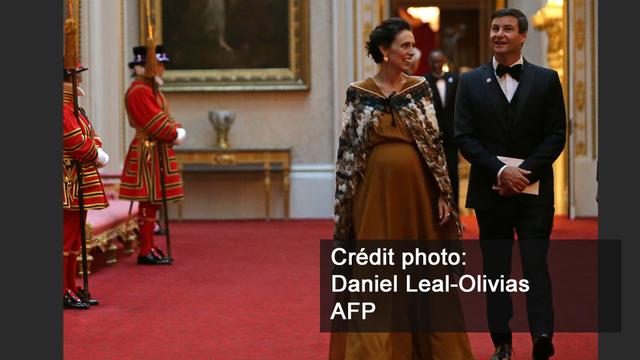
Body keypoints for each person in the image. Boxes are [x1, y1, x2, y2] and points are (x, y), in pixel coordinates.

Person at [329, 17, 474, 360]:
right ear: (384, 50)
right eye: (405, 46)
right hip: (373, 197)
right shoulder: (358, 93)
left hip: (418, 196)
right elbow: (347, 152)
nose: (412, 52)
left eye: (412, 45)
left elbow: (435, 146)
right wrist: (345, 206)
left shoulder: (420, 88)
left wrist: (443, 193)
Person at [454, 8, 566, 360]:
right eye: (494, 28)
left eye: (507, 29)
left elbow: (556, 135)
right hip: (491, 192)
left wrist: (526, 172)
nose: (499, 34)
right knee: (496, 270)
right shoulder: (470, 82)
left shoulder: (547, 79)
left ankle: (542, 336)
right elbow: (464, 136)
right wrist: (502, 172)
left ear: (522, 36)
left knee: (536, 265)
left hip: (534, 194)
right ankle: (502, 342)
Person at [119, 45, 186, 265]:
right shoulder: (140, 91)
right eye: (159, 65)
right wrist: (173, 132)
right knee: (148, 200)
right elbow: (157, 124)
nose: (162, 69)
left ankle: (148, 246)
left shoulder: (150, 90)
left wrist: (175, 128)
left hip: (155, 148)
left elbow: (165, 117)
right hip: (148, 149)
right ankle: (145, 248)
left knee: (152, 202)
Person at [63, 65, 110, 309]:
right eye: (76, 75)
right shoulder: (62, 106)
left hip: (78, 175)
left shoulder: (74, 107)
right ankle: (62, 289)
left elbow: (91, 135)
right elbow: (74, 141)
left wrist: (94, 148)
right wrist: (95, 153)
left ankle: (70, 285)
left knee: (74, 238)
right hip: (67, 178)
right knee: (66, 237)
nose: (80, 79)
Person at [425, 49, 460, 209]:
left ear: (444, 60)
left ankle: (455, 209)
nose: (437, 64)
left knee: (453, 172)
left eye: (439, 61)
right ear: (429, 62)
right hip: (432, 135)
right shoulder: (424, 82)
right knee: (433, 173)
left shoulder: (455, 78)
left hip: (452, 134)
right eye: (434, 61)